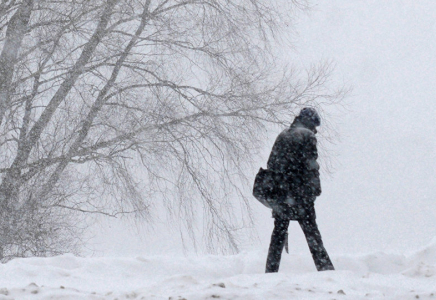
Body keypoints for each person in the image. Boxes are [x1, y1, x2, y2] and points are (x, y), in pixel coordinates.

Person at [265, 107, 334, 273]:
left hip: (281, 195)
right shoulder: (307, 136)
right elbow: (311, 166)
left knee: (278, 234)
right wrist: (314, 190)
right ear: (310, 123)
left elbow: (271, 164)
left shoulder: (283, 135)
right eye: (315, 126)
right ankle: (326, 270)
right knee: (312, 235)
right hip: (300, 195)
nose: (316, 130)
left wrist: (281, 187)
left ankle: (270, 271)